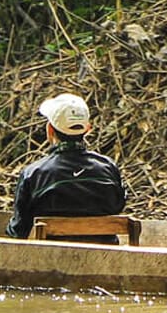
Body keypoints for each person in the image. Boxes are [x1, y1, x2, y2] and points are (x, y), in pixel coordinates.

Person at [7, 93, 128, 242]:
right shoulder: (108, 168)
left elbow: (19, 230)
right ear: (88, 129)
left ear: (50, 130)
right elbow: (118, 207)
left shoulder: (33, 174)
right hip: (107, 256)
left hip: (50, 259)